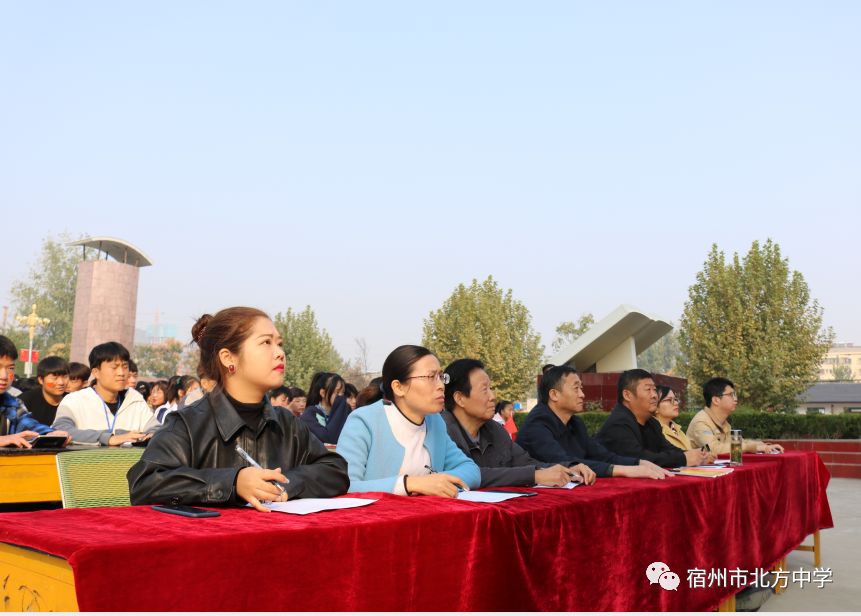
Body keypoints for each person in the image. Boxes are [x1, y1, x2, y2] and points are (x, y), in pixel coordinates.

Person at [128, 307, 349, 511]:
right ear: (228, 358)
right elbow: (145, 484)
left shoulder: (287, 423)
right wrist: (232, 482)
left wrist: (288, 484)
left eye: (279, 343)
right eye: (266, 342)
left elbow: (335, 469)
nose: (280, 353)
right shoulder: (187, 424)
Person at [337, 345, 480, 497]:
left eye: (441, 376)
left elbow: (471, 470)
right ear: (398, 387)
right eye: (431, 377)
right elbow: (344, 485)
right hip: (377, 512)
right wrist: (411, 484)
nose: (441, 386)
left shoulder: (435, 422)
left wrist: (438, 482)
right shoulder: (363, 421)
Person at [442, 358, 595, 488]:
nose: (493, 396)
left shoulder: (495, 430)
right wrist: (534, 475)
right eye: (484, 390)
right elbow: (469, 474)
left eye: (491, 388)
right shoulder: (441, 430)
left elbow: (526, 462)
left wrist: (568, 468)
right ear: (460, 398)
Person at [517, 365, 672, 480]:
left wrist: (639, 463)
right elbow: (564, 463)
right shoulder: (536, 426)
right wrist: (623, 470)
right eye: (576, 389)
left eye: (581, 388)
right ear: (554, 395)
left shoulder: (575, 423)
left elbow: (602, 456)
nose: (582, 394)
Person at [596, 369, 710, 468]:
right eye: (648, 389)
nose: (655, 395)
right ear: (627, 395)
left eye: (654, 389)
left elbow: (668, 449)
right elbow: (640, 459)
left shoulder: (652, 423)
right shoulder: (618, 424)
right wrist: (683, 458)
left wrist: (697, 455)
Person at [52, 341, 159, 446]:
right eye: (114, 367)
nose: (121, 373)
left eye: (125, 367)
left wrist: (150, 436)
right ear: (96, 372)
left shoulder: (135, 399)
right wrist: (108, 438)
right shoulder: (74, 400)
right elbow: (61, 430)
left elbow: (157, 429)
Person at [0, 336, 69, 447]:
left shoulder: (12, 404)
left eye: (10, 368)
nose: (4, 376)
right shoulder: (27, 398)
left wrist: (50, 434)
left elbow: (29, 425)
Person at [687, 378, 784, 455]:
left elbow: (740, 442)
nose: (735, 399)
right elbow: (713, 449)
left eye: (735, 395)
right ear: (716, 400)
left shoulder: (723, 423)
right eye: (731, 395)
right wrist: (750, 447)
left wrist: (762, 445)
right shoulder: (701, 422)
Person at [300, 372, 351, 444]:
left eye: (342, 393)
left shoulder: (346, 413)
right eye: (337, 392)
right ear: (323, 393)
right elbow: (328, 438)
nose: (341, 397)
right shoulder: (309, 415)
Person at [17, 356, 69, 426]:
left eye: (65, 377)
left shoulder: (71, 400)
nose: (61, 382)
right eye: (54, 378)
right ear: (41, 380)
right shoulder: (25, 401)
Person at [654, 386, 694, 451]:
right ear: (654, 407)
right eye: (669, 400)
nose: (676, 403)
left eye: (675, 399)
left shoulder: (676, 429)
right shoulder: (653, 432)